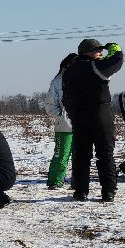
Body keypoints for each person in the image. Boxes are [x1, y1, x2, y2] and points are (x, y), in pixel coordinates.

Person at [61, 38, 125, 202]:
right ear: (87, 52)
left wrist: (72, 113)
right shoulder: (95, 66)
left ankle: (80, 191)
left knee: (81, 155)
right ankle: (108, 191)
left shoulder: (69, 71)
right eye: (97, 50)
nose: (100, 52)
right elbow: (117, 61)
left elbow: (65, 97)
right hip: (99, 112)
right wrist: (115, 49)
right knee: (105, 154)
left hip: (78, 115)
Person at [42, 53, 77, 190]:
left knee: (79, 156)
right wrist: (61, 116)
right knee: (61, 155)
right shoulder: (57, 82)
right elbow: (50, 104)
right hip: (64, 126)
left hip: (81, 125)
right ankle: (55, 181)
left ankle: (77, 180)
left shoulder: (82, 80)